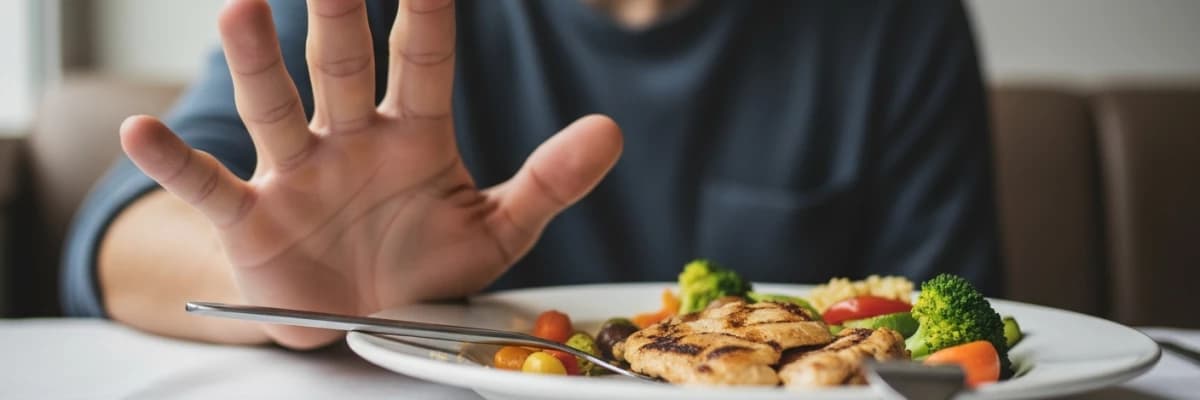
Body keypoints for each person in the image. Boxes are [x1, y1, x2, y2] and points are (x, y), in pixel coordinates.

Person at [62, 0, 999, 349]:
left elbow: (955, 347)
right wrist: (273, 290)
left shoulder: (898, 25)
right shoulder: (372, 13)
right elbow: (119, 239)